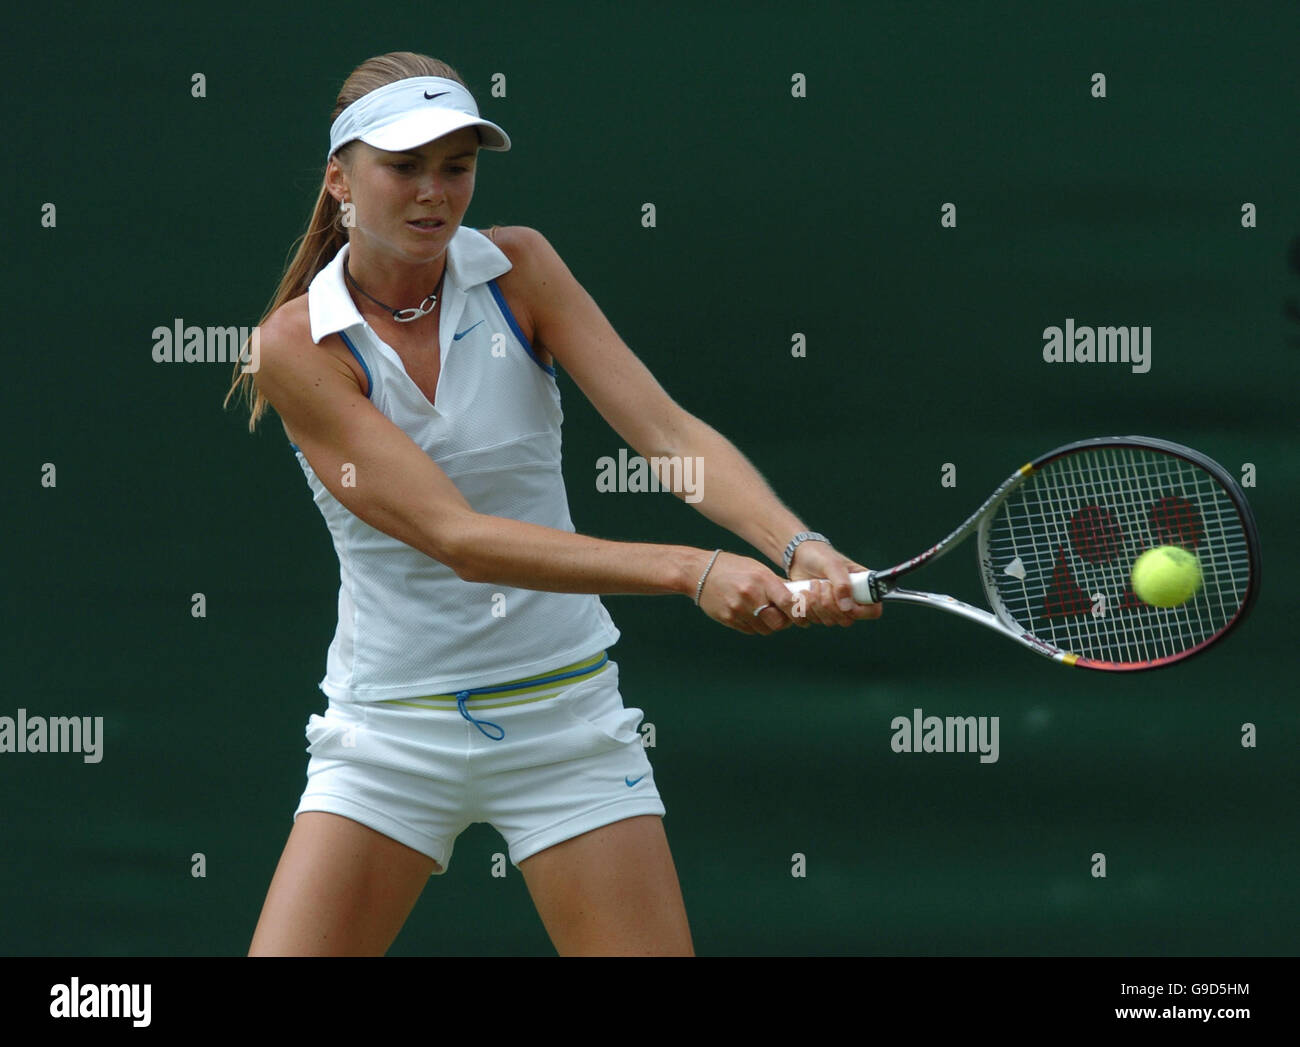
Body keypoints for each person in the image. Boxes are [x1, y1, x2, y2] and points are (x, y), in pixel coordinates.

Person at [226, 50, 880, 957]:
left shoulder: (519, 268)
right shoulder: (295, 346)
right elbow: (458, 537)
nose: (433, 194)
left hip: (565, 723)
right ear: (340, 178)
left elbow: (668, 435)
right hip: (388, 737)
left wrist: (793, 540)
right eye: (403, 167)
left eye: (456, 166)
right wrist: (692, 570)